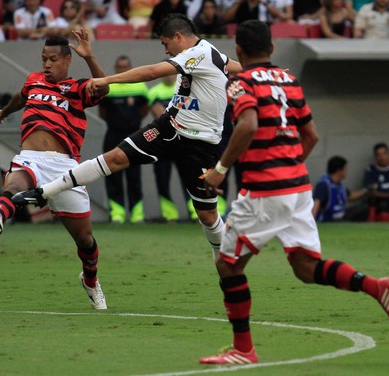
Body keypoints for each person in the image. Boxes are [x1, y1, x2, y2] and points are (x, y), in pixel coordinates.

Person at [199, 20, 389, 365]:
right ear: (272, 48)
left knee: (228, 265)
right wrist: (290, 165)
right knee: (304, 267)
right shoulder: (289, 80)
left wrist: (220, 171)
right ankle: (377, 286)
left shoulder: (240, 82)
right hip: (297, 188)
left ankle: (243, 350)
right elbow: (310, 135)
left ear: (238, 50)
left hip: (266, 191)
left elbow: (248, 124)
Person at [13, 14, 243, 261]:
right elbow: (235, 66)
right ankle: (42, 193)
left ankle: (226, 263)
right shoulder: (211, 52)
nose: (166, 50)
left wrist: (107, 79)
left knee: (207, 215)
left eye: (166, 44)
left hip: (201, 144)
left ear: (178, 37)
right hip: (169, 127)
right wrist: (263, 70)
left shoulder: (197, 54)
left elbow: (153, 71)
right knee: (115, 158)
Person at [0, 31, 110, 310]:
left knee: (85, 240)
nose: (46, 64)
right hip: (31, 158)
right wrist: (4, 111)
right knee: (14, 185)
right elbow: (21, 97)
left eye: (52, 59)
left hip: (65, 166)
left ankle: (90, 281)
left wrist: (90, 57)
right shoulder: (33, 80)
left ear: (67, 60)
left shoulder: (76, 88)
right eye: (43, 59)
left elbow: (103, 89)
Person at [99, 56, 149, 224]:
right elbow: (103, 113)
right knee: (112, 175)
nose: (122, 70)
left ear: (130, 67)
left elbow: (144, 109)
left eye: (125, 67)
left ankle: (137, 214)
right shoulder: (109, 87)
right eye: (119, 67)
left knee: (134, 176)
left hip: (134, 136)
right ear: (115, 68)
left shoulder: (140, 86)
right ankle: (117, 214)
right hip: (113, 135)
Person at [147, 72, 181, 222]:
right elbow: (161, 115)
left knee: (189, 176)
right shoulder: (154, 91)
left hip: (183, 141)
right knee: (162, 178)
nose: (169, 76)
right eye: (166, 73)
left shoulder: (183, 89)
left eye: (172, 73)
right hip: (163, 143)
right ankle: (170, 214)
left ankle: (195, 213)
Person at [312, 156, 370, 222]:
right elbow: (316, 203)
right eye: (345, 168)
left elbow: (350, 197)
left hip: (341, 215)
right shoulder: (323, 184)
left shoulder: (339, 184)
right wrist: (311, 222)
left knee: (363, 209)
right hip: (329, 219)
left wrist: (366, 190)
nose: (347, 171)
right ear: (339, 171)